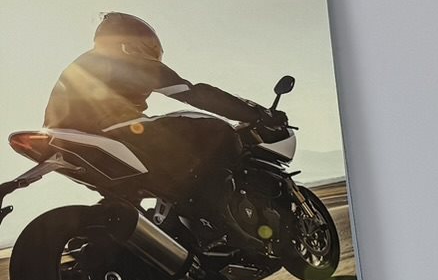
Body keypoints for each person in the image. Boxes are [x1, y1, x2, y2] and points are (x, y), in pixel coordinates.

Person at [43, 12, 283, 233]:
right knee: (219, 131)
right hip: (112, 130)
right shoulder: (122, 59)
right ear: (131, 42)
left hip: (68, 139)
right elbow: (192, 93)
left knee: (130, 196)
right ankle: (216, 218)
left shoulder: (82, 66)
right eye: (150, 47)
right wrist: (255, 114)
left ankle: (132, 238)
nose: (153, 55)